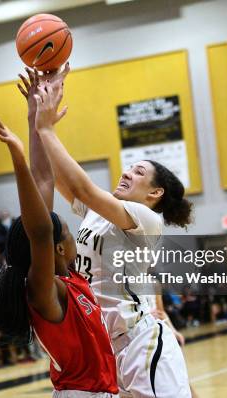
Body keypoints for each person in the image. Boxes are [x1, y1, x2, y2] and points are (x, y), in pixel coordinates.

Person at [22, 66, 192, 397]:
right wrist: (38, 118)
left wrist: (48, 128)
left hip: (140, 343)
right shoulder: (98, 213)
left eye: (138, 171)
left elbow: (84, 189)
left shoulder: (146, 219)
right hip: (102, 347)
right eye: (128, 167)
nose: (127, 173)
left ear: (154, 193)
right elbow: (54, 177)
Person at [0, 111, 118, 396]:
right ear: (57, 247)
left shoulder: (68, 278)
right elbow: (41, 231)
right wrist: (18, 159)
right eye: (69, 232)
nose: (74, 237)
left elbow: (45, 180)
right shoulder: (44, 291)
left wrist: (36, 117)